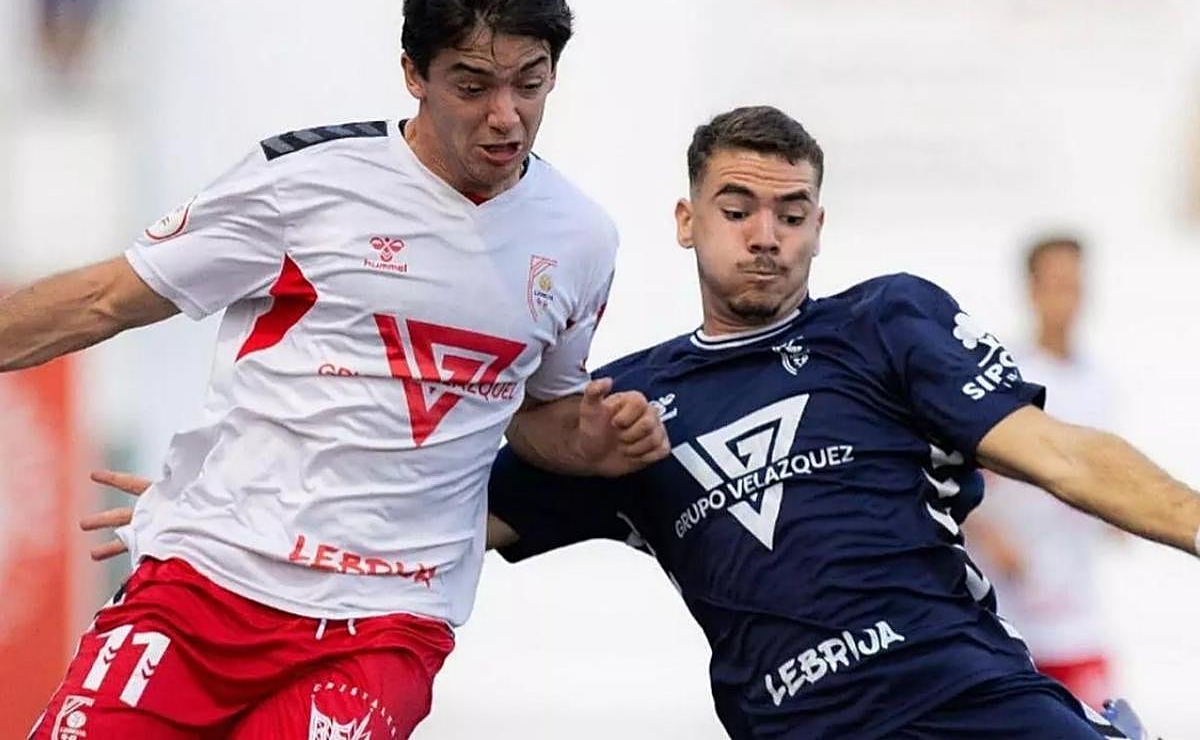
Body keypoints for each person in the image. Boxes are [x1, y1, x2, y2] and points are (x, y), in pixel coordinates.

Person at [87, 105, 1188, 738]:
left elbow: (1064, 455)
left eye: (792, 213)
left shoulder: (885, 322)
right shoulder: (618, 416)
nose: (766, 235)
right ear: (684, 220)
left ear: (819, 228)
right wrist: (232, 509)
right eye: (739, 206)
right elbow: (416, 521)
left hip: (972, 704)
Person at [3, 0, 667, 740]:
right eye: (472, 85)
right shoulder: (303, 186)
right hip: (206, 584)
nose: (507, 116)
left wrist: (590, 439)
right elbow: (105, 299)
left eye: (530, 83)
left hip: (383, 625)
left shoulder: (580, 241)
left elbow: (538, 415)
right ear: (413, 74)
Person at [965, 236, 1119, 708]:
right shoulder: (1007, 378)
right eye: (1055, 284)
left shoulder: (1097, 382)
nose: (1066, 298)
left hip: (1077, 614)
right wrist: (992, 538)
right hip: (1010, 618)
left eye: (1074, 285)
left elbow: (1105, 481)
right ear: (1031, 290)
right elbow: (954, 480)